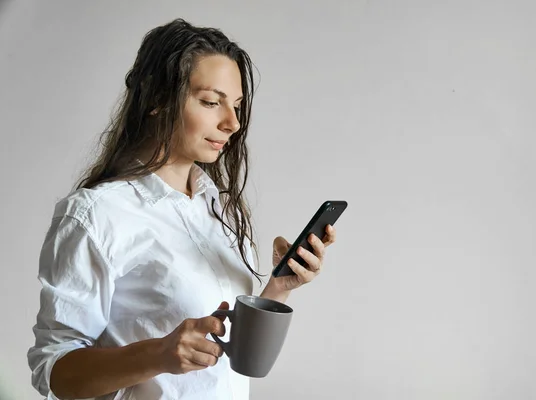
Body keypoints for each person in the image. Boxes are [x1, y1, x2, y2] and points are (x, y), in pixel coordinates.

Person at [27, 18, 337, 400]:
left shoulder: (216, 208)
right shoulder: (95, 215)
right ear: (156, 98)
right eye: (211, 102)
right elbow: (55, 372)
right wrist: (157, 353)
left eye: (237, 106)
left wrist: (279, 288)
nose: (233, 123)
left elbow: (222, 346)